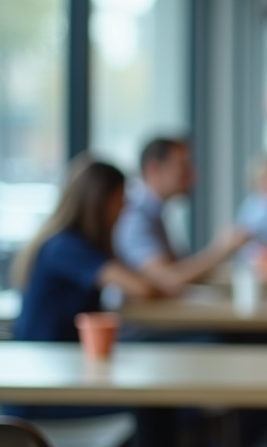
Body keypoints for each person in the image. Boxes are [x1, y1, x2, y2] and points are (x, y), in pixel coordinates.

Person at [9, 157, 160, 415]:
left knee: (155, 395)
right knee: (152, 403)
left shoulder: (76, 244)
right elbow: (140, 288)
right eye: (120, 199)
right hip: (40, 391)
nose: (125, 208)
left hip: (67, 372)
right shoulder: (65, 247)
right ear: (101, 201)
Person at [113, 137, 249, 294]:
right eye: (183, 167)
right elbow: (168, 279)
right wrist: (221, 250)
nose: (193, 176)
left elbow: (177, 270)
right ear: (154, 169)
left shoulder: (153, 213)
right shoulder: (135, 217)